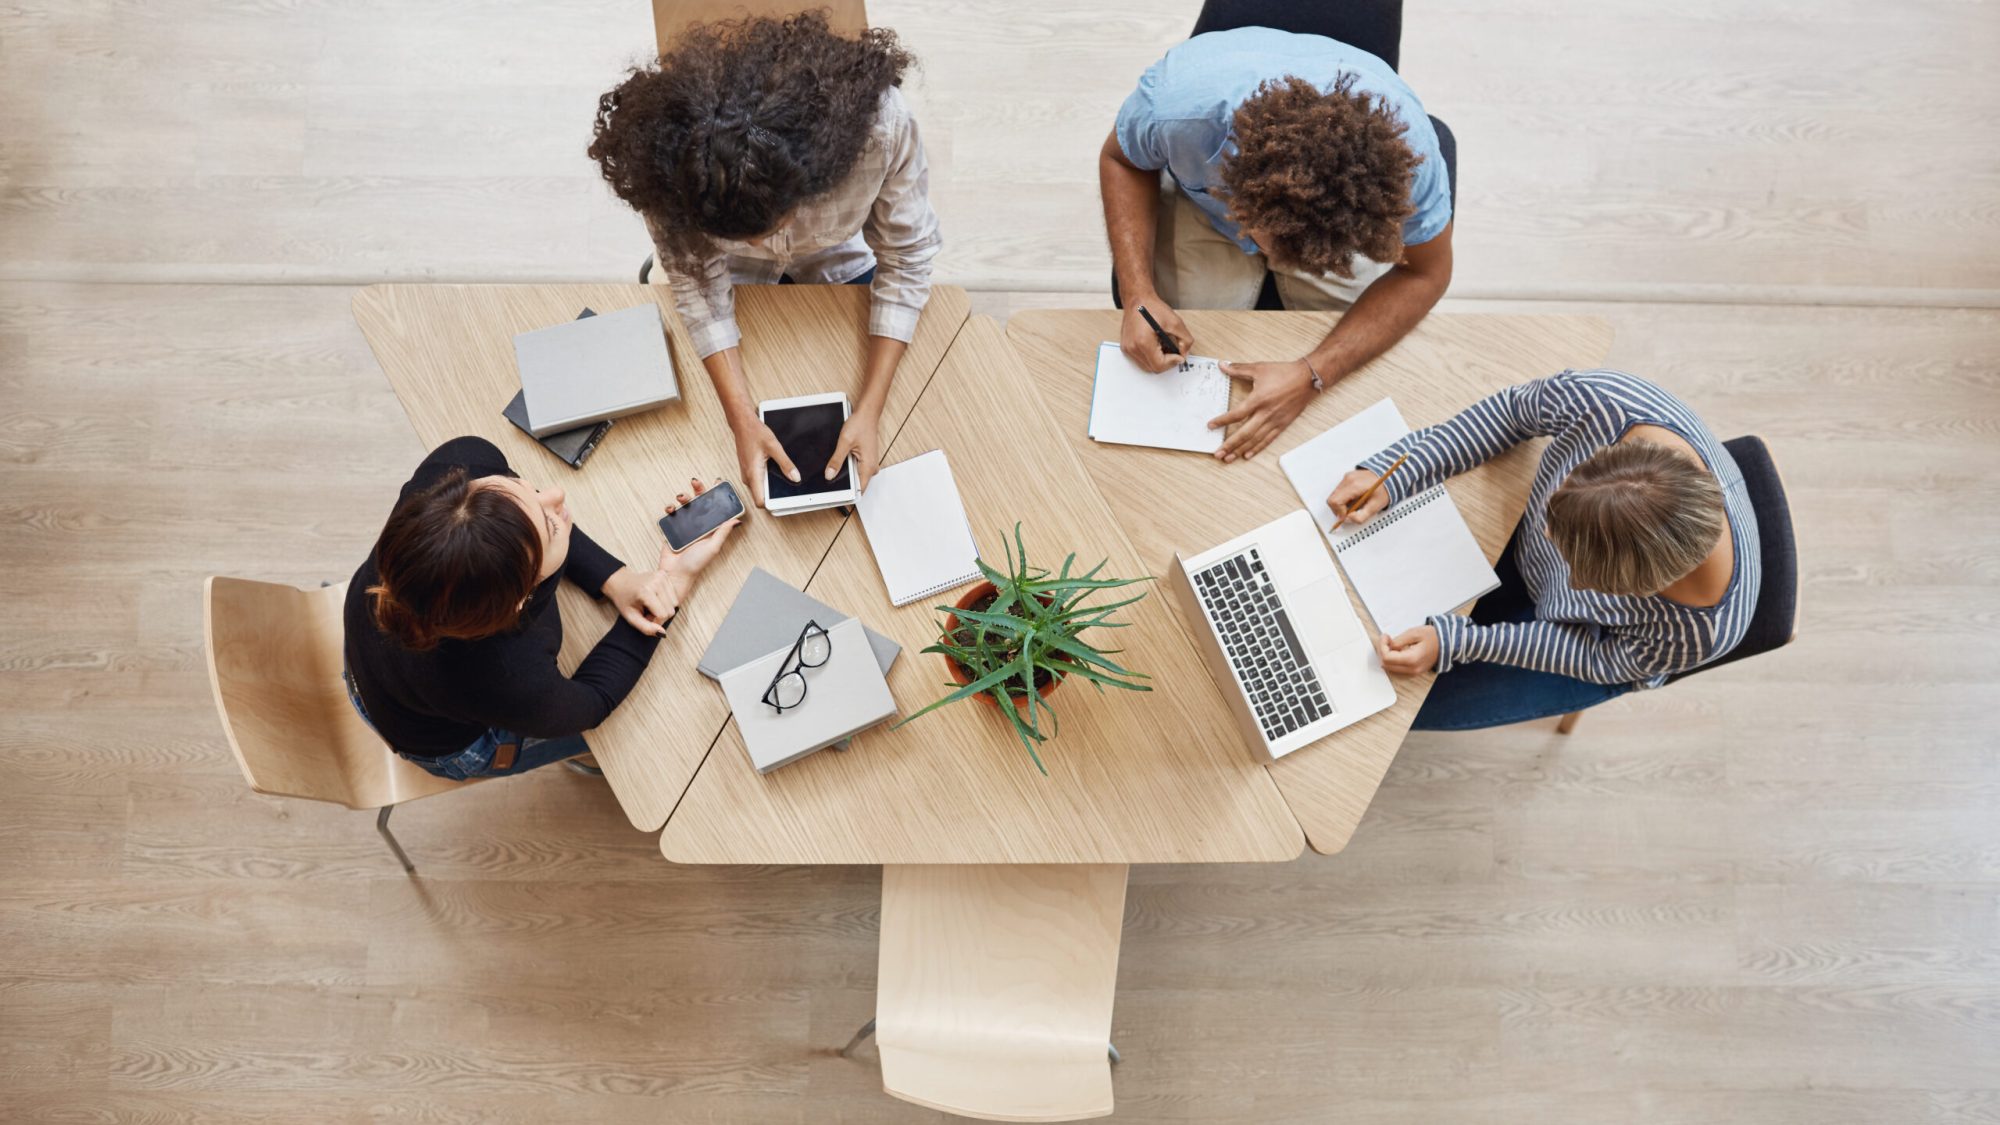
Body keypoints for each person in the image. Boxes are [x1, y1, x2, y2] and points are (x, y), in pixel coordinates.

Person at [588, 12, 941, 502]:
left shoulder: (881, 129)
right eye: (735, 237)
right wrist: (740, 420)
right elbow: (697, 281)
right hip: (733, 284)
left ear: (812, 179)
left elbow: (906, 258)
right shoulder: (671, 162)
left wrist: (871, 408)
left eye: (766, 231)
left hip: (837, 262)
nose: (756, 247)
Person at [1325, 370, 1761, 730]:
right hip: (1513, 551)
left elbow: (1602, 657)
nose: (1546, 535)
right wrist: (1399, 471)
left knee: (1389, 712)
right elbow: (1514, 413)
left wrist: (1460, 641)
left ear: (1642, 588)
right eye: (1557, 515)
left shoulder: (1704, 631)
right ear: (1600, 460)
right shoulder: (1609, 402)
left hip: (1586, 642)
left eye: (1578, 567)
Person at [1100, 26, 1453, 463]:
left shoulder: (1409, 164)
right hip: (1206, 206)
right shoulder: (1177, 112)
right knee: (1190, 341)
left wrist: (1312, 374)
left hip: (1319, 221)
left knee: (1354, 374)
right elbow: (1120, 159)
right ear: (1241, 192)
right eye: (1264, 239)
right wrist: (1139, 295)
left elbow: (1427, 272)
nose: (1268, 259)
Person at [342, 437, 737, 781]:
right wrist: (673, 584)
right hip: (445, 743)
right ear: (518, 601)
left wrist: (616, 579)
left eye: (520, 486)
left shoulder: (457, 468)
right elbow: (592, 702)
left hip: (374, 673)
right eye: (550, 526)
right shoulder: (507, 676)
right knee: (622, 742)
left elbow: (516, 527)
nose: (556, 495)